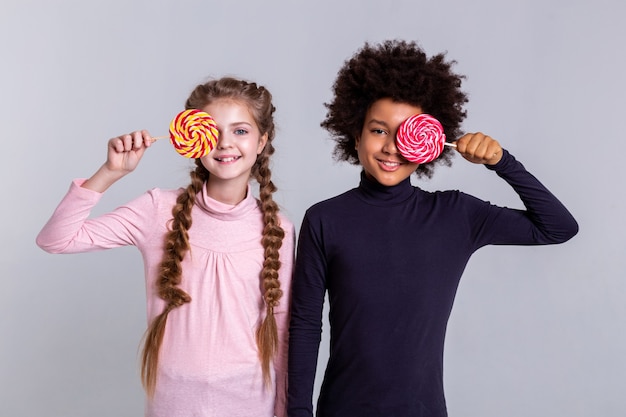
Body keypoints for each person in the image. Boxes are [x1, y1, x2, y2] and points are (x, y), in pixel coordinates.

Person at [287, 40, 579, 417]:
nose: (391, 147)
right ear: (355, 134)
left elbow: (558, 227)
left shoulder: (455, 215)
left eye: (405, 133)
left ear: (429, 144)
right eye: (378, 130)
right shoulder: (325, 219)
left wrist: (503, 163)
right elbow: (305, 324)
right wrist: (297, 411)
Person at [36, 77, 295, 417]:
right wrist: (110, 172)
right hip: (174, 402)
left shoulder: (279, 229)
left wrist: (283, 409)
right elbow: (56, 239)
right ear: (191, 138)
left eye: (240, 131)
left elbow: (280, 329)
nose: (224, 143)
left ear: (262, 141)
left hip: (250, 402)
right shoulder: (157, 210)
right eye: (211, 130)